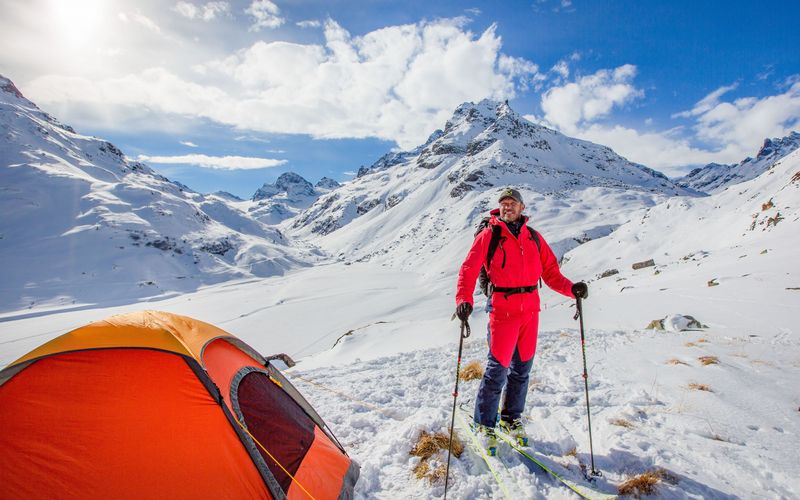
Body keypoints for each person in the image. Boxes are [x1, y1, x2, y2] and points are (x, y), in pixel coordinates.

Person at [455, 188, 588, 453]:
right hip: (502, 310)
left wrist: (572, 289)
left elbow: (551, 273)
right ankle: (484, 424)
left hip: (530, 311)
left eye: (512, 203)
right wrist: (463, 299)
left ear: (522, 207)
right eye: (503, 204)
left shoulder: (534, 238)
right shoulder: (489, 235)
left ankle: (511, 418)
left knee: (522, 370)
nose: (507, 207)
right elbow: (469, 268)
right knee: (498, 369)